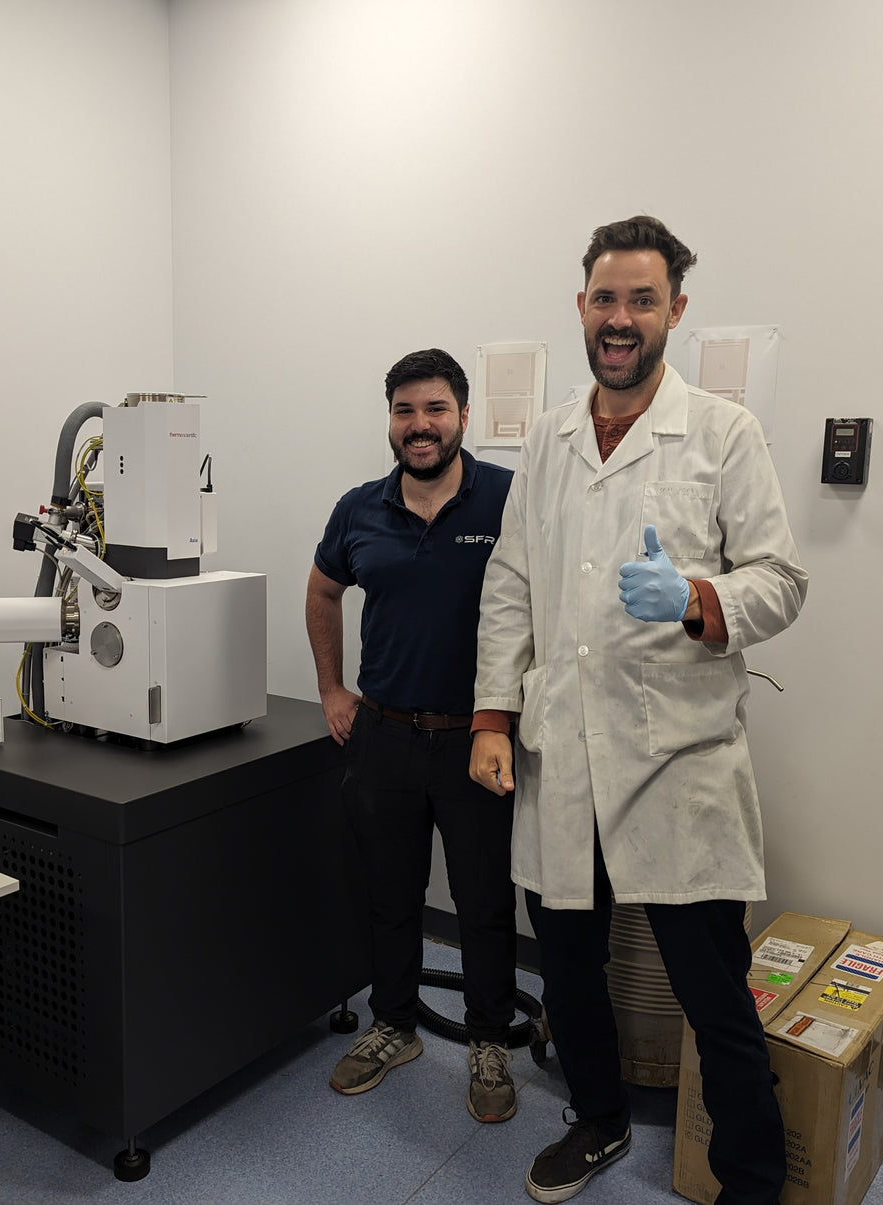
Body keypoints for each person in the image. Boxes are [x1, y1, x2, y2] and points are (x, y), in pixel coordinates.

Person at [469, 217, 808, 1204]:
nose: (620, 319)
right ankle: (599, 1118)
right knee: (570, 969)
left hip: (677, 757)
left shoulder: (722, 433)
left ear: (675, 311)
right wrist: (492, 715)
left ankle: (750, 1180)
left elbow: (781, 580)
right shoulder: (547, 436)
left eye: (641, 300)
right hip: (561, 752)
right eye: (605, 299)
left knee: (711, 995)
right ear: (582, 307)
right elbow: (510, 579)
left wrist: (700, 597)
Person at [306, 347, 521, 1124]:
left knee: (484, 900)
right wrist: (333, 689)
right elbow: (324, 588)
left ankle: (490, 1039)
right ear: (391, 421)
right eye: (405, 411)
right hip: (386, 735)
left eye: (435, 410)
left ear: (463, 414)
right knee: (389, 894)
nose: (420, 426)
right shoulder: (360, 507)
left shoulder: (508, 498)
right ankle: (394, 1025)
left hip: (478, 740)